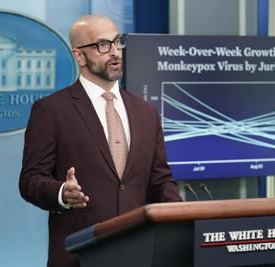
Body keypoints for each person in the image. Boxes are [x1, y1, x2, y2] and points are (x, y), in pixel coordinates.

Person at [19, 15, 182, 267]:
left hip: (140, 253)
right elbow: (30, 181)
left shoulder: (145, 111)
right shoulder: (51, 110)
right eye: (102, 45)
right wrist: (62, 192)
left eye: (117, 42)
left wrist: (180, 219)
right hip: (80, 256)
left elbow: (160, 180)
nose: (115, 52)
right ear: (79, 56)